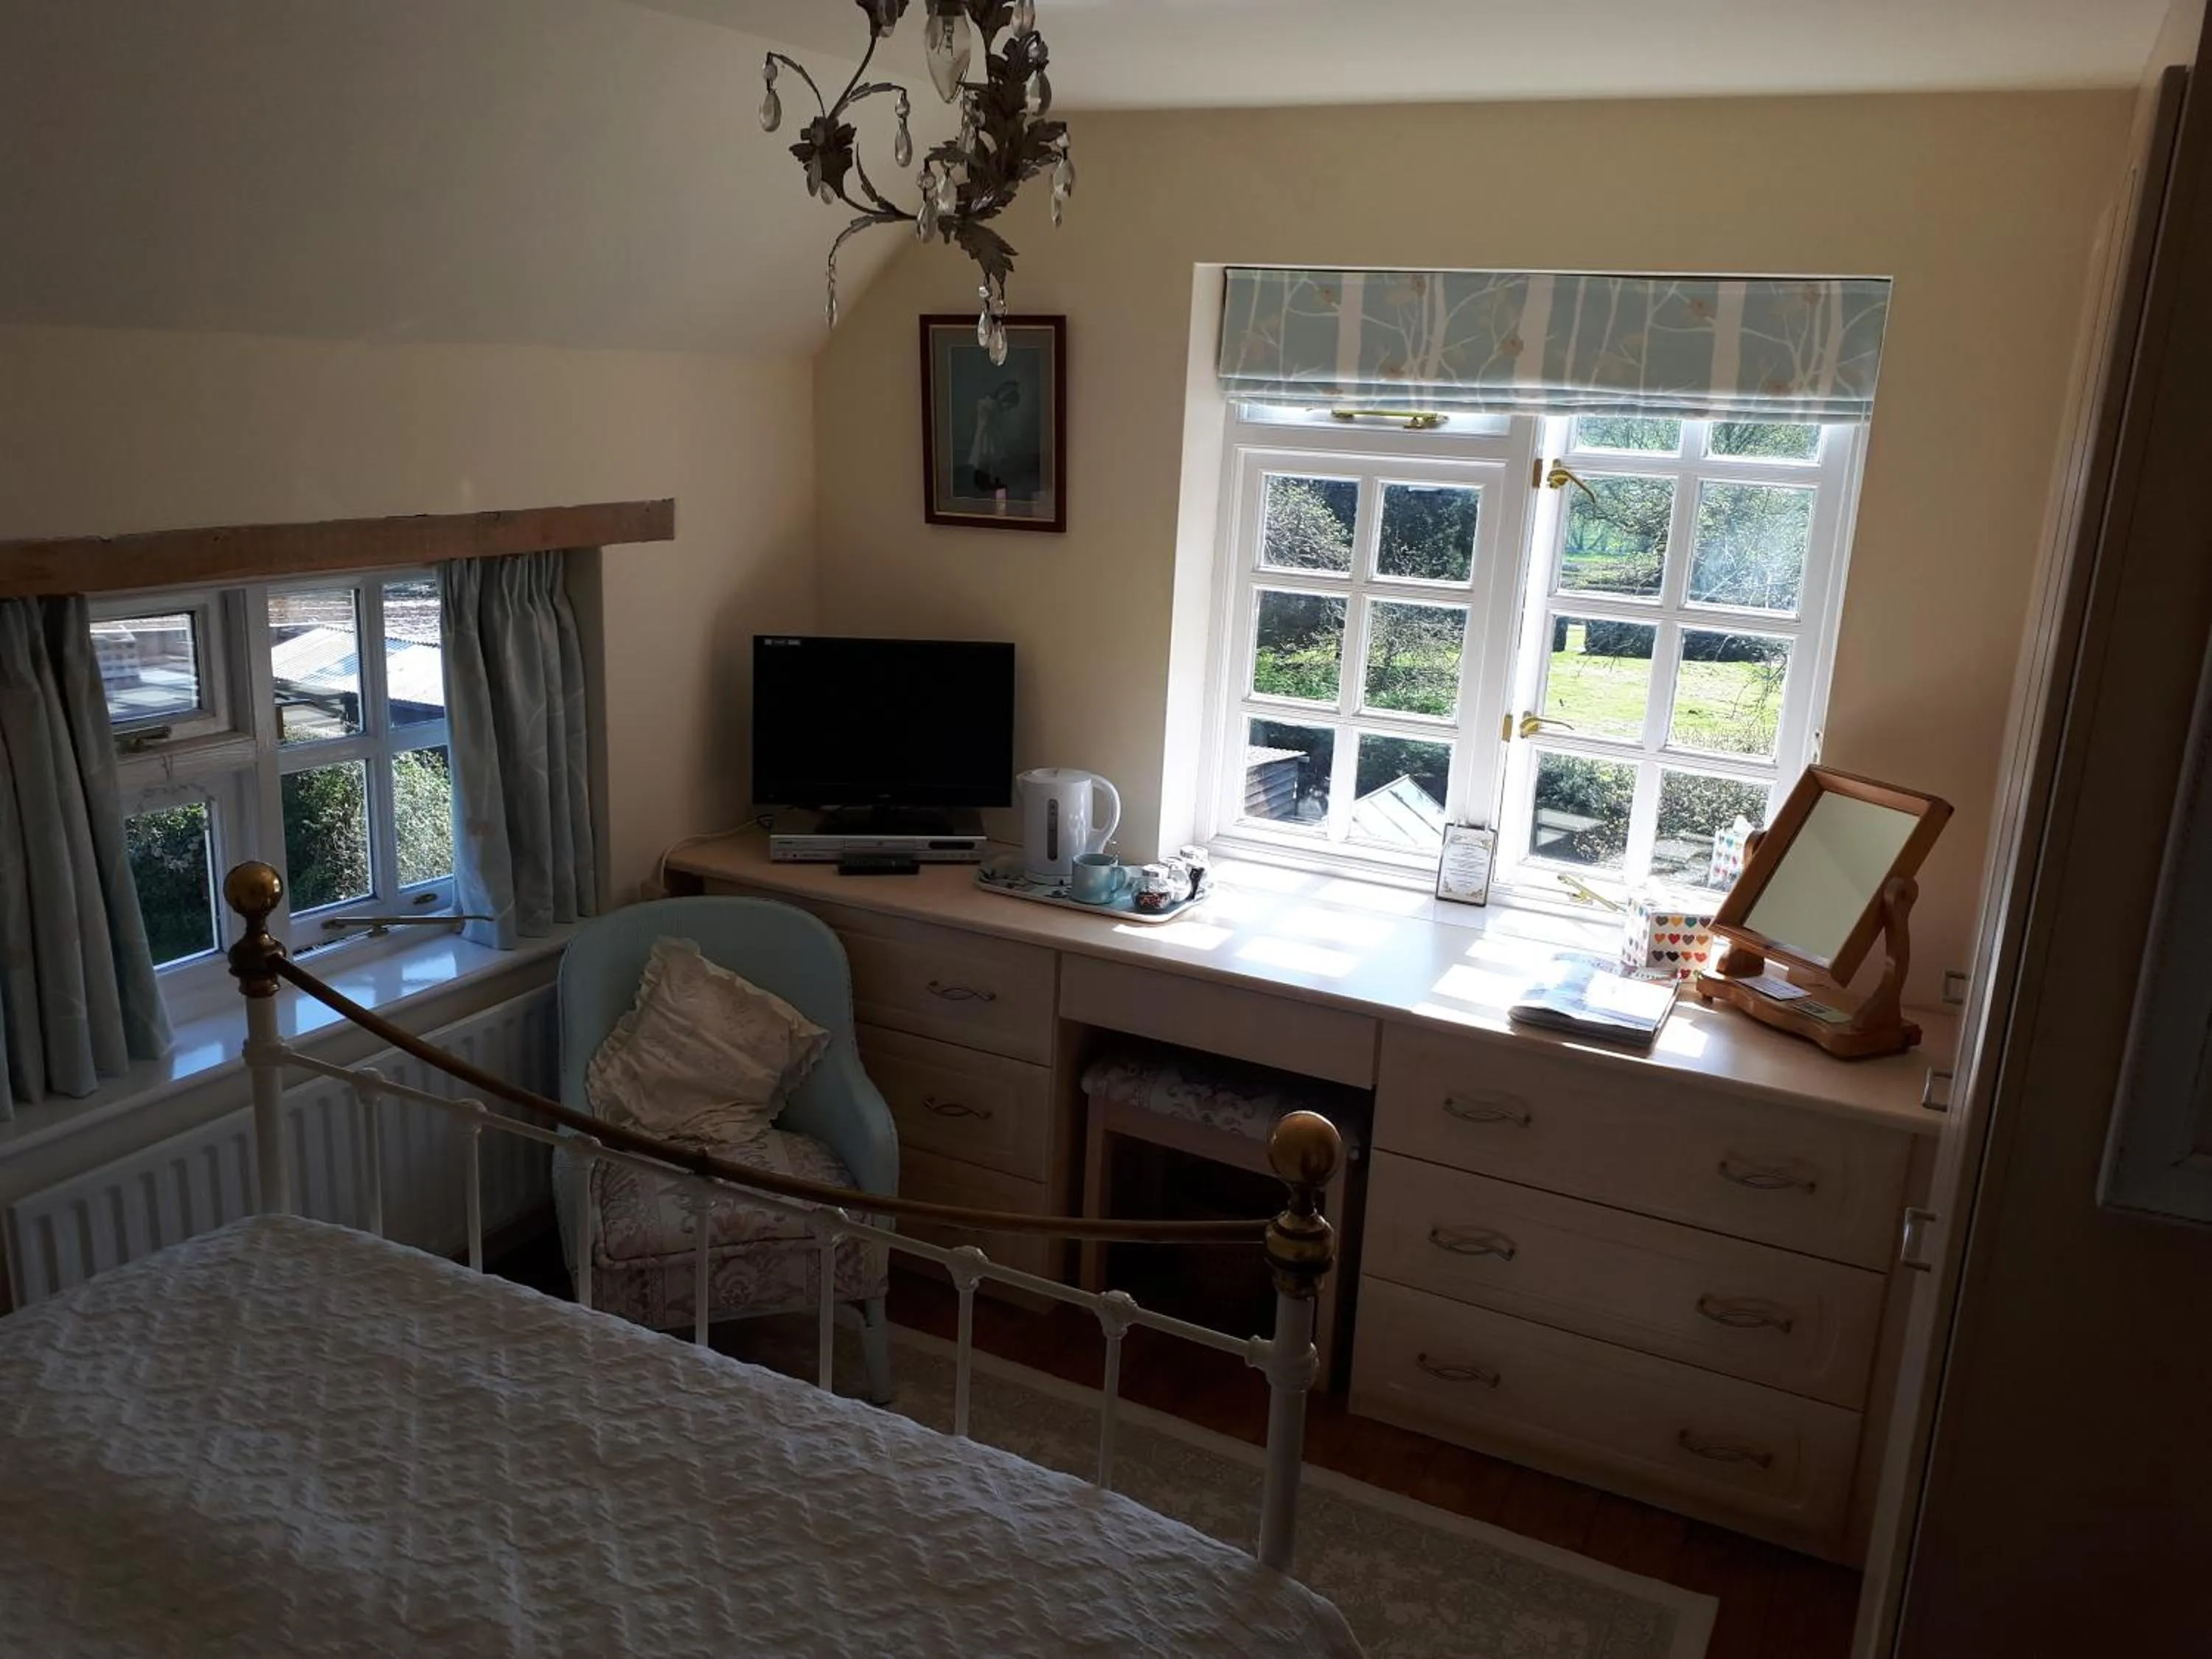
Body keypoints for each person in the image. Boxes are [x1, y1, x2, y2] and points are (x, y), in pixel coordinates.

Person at [969, 378, 1025, 504]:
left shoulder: (992, 406)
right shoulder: (989, 405)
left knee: (990, 458)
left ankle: (989, 480)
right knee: (985, 457)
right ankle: (983, 482)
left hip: (990, 433)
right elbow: (992, 415)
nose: (1008, 410)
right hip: (987, 434)